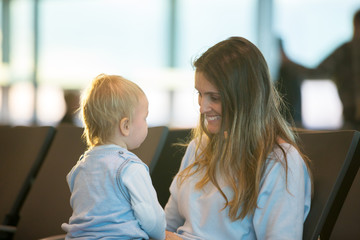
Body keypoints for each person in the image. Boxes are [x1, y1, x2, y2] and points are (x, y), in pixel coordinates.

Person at [164, 37, 312, 239]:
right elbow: (164, 225)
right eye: (200, 94)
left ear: (246, 100)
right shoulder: (198, 147)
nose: (202, 107)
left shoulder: (279, 162)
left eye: (214, 98)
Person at [61, 74, 166, 239]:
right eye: (145, 118)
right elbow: (152, 220)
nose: (147, 123)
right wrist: (161, 234)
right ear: (125, 126)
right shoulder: (130, 167)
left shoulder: (79, 168)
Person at [283, 9, 360, 130]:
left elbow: (316, 73)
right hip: (352, 121)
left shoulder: (346, 51)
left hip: (352, 121)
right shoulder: (345, 51)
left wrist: (287, 62)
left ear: (355, 25)